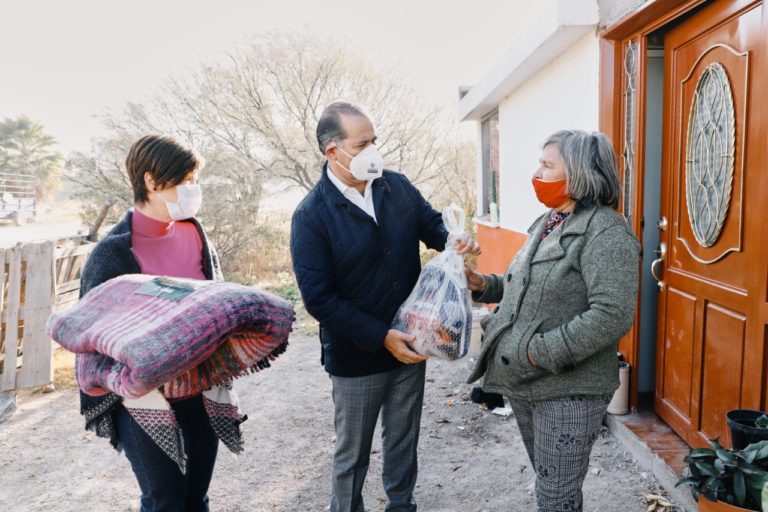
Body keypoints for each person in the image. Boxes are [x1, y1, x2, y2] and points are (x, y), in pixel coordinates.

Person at [290, 101, 480, 512]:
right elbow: (319, 299)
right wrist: (380, 337)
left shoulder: (397, 188)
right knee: (351, 455)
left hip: (413, 341)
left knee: (402, 443)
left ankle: (401, 505)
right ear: (333, 152)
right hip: (357, 356)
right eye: (363, 143)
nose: (374, 150)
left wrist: (457, 238)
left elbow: (434, 228)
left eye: (375, 140)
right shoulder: (311, 216)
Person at [465, 130, 640, 512]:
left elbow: (611, 315)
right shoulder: (548, 220)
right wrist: (483, 284)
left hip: (568, 388)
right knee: (552, 485)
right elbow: (526, 285)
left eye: (547, 165)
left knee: (555, 496)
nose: (537, 173)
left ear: (578, 174)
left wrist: (535, 352)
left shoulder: (607, 232)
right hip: (528, 383)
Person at [78, 134, 232, 512]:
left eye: (194, 180)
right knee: (165, 500)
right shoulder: (112, 254)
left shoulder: (195, 233)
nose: (192, 190)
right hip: (142, 399)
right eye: (186, 180)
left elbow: (216, 297)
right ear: (151, 182)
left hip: (201, 389)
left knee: (196, 497)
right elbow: (89, 339)